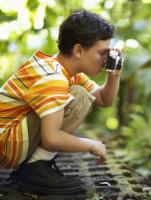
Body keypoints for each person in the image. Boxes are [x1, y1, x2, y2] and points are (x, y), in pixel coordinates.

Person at [0, 9, 122, 194]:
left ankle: (35, 166)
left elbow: (104, 99)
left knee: (80, 95)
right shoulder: (53, 77)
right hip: (5, 145)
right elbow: (52, 137)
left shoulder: (63, 70)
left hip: (8, 140)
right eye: (102, 53)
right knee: (80, 97)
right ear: (78, 50)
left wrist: (114, 75)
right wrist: (92, 144)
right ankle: (35, 169)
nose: (106, 61)